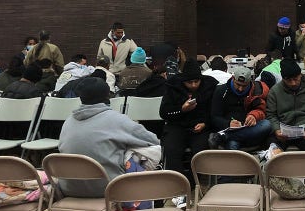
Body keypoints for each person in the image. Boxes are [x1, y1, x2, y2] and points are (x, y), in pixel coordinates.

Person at [58, 77, 159, 201]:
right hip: (108, 188)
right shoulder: (117, 119)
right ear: (108, 96)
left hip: (69, 188)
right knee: (138, 151)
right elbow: (153, 141)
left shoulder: (68, 121)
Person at [160, 58, 218, 186]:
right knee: (171, 149)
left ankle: (192, 182)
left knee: (200, 151)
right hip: (177, 125)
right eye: (189, 82)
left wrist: (205, 124)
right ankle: (179, 182)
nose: (193, 85)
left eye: (196, 81)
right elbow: (164, 112)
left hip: (201, 126)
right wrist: (182, 109)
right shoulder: (173, 87)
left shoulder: (209, 86)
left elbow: (214, 111)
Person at [265, 58, 305, 151]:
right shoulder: (274, 91)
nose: (293, 83)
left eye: (296, 79)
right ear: (283, 78)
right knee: (271, 147)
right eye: (288, 80)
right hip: (283, 131)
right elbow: (271, 115)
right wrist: (276, 130)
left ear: (300, 75)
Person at [209, 66, 271, 150]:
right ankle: (229, 136)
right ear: (233, 78)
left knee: (267, 125)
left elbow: (261, 110)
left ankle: (224, 137)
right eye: (238, 84)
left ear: (250, 82)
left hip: (249, 129)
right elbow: (214, 117)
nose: (240, 89)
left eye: (244, 86)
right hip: (229, 129)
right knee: (232, 146)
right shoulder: (221, 91)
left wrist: (253, 116)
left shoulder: (256, 91)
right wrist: (228, 123)